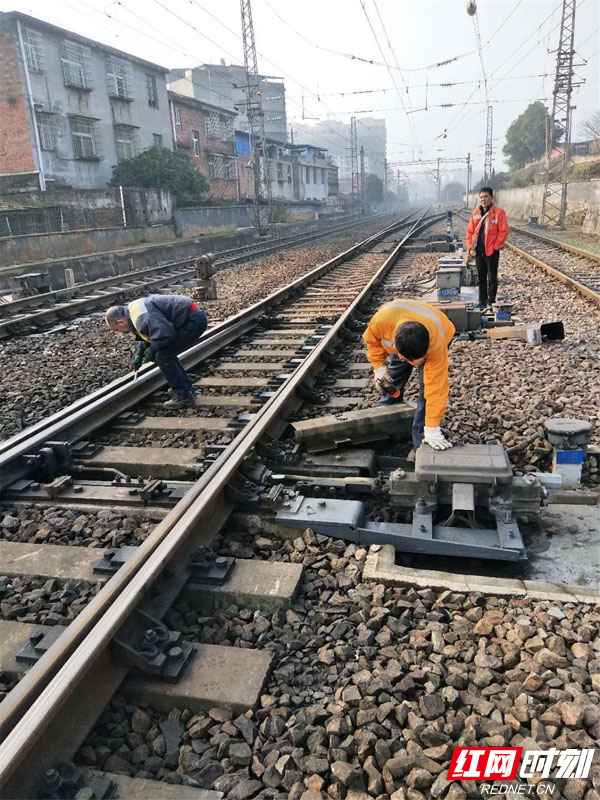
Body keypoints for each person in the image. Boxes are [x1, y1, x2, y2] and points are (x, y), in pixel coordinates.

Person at [363, 299, 455, 453]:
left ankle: (421, 442)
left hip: (441, 329)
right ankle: (387, 416)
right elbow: (372, 342)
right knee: (393, 377)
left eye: (417, 360)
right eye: (407, 359)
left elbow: (436, 389)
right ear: (395, 344)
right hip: (398, 326)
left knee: (426, 391)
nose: (413, 364)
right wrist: (379, 367)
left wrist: (432, 428)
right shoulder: (380, 323)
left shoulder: (435, 346)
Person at [105, 294, 207, 409]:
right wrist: (140, 353)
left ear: (120, 322)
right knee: (165, 354)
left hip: (192, 320)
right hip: (189, 317)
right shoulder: (133, 310)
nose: (123, 332)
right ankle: (186, 389)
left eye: (119, 330)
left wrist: (152, 349)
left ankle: (183, 395)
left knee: (163, 356)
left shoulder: (139, 316)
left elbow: (163, 335)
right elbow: (149, 332)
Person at [465, 186, 509, 310]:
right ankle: (481, 300)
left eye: (486, 196)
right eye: (481, 197)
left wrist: (496, 245)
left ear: (491, 197)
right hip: (479, 251)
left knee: (492, 277)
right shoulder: (476, 213)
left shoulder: (499, 212)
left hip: (492, 251)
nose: (483, 199)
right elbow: (469, 232)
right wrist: (470, 247)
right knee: (481, 277)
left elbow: (503, 230)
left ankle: (491, 300)